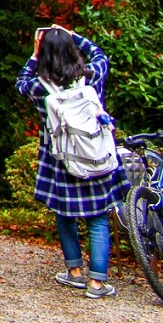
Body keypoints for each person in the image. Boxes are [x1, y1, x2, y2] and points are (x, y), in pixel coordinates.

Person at [17, 25, 125, 299]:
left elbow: (21, 81)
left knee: (65, 216)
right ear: (71, 50)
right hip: (95, 157)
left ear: (44, 55)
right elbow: (101, 54)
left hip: (62, 162)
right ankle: (97, 284)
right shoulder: (91, 77)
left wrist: (35, 52)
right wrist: (73, 36)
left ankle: (75, 273)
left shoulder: (40, 89)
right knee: (98, 219)